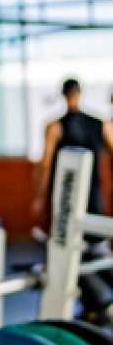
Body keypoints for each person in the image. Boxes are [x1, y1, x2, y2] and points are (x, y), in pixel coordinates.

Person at [32, 76, 113, 321]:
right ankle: (91, 308)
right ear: (79, 93)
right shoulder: (101, 125)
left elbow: (45, 165)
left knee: (69, 250)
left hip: (65, 200)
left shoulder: (54, 126)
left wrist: (38, 197)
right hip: (94, 199)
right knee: (89, 250)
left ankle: (94, 306)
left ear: (64, 95)